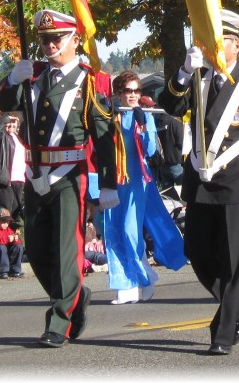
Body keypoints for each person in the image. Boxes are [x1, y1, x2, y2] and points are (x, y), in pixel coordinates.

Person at [0, 8, 119, 348]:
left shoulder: (90, 82)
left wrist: (107, 183)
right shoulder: (31, 77)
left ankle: (58, 321)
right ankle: (75, 297)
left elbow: (105, 135)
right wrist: (12, 80)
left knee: (66, 252)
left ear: (74, 39)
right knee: (36, 248)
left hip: (68, 174)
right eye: (44, 39)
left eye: (56, 38)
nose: (49, 45)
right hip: (35, 174)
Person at [158, 10, 239, 356]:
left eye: (219, 39)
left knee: (232, 260)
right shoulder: (198, 78)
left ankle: (223, 333)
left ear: (236, 45)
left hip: (236, 183)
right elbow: (168, 106)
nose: (210, 45)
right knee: (196, 252)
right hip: (200, 182)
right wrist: (182, 72)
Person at [103, 71, 161, 304]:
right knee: (113, 230)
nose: (134, 95)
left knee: (130, 230)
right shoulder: (111, 116)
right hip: (113, 181)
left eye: (138, 90)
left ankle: (141, 280)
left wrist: (143, 126)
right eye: (129, 90)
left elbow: (151, 151)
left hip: (137, 180)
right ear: (118, 94)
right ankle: (130, 284)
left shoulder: (144, 116)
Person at [0, 112, 26, 222]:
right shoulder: (2, 137)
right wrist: (6, 118)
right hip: (6, 180)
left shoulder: (19, 138)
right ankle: (0, 238)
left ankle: (12, 238)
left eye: (13, 123)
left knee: (14, 215)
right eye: (8, 123)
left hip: (19, 180)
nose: (11, 125)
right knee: (4, 215)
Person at [0, 207, 24, 279]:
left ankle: (15, 270)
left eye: (7, 222)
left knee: (18, 246)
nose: (5, 224)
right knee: (1, 247)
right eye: (3, 222)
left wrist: (15, 240)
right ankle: (3, 271)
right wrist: (7, 239)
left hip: (8, 254)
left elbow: (18, 242)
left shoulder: (8, 229)